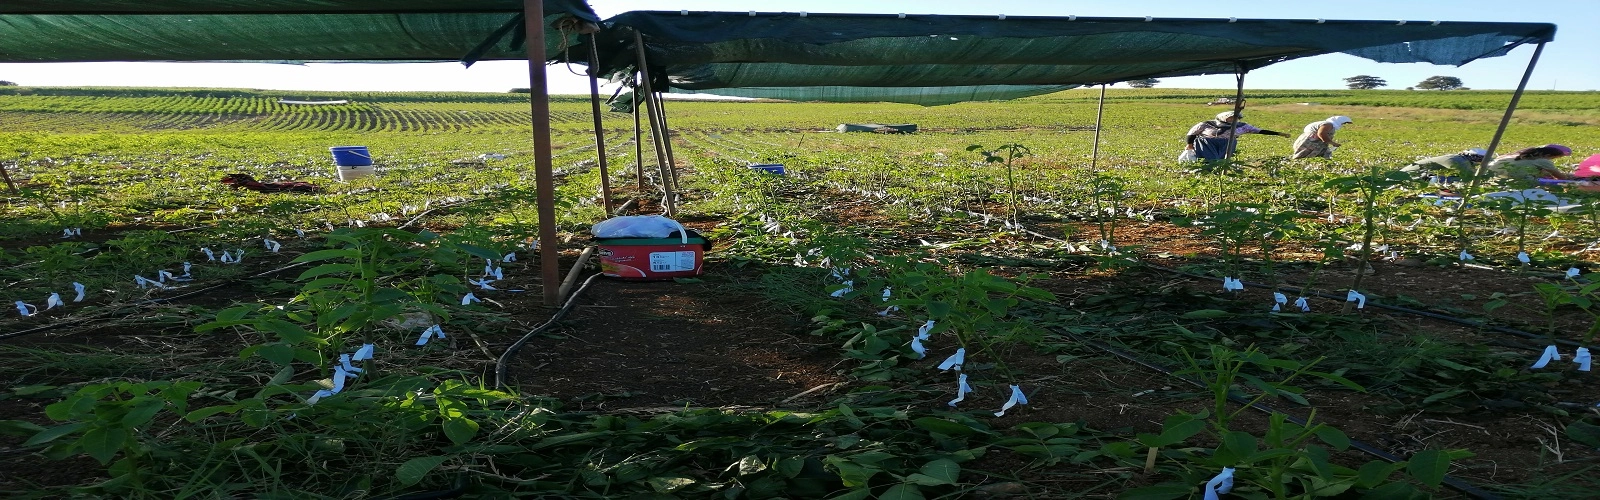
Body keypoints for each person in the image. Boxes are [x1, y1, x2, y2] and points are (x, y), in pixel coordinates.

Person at [1182, 111, 1288, 160]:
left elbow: (1259, 131)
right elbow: (1192, 133)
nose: (1234, 119)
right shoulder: (1207, 124)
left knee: (1222, 160)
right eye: (1231, 117)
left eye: (1236, 118)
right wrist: (1190, 144)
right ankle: (1207, 173)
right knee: (1209, 159)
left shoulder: (1242, 126)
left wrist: (1279, 133)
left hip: (1227, 144)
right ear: (1223, 118)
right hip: (1206, 143)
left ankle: (1218, 174)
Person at [1485, 144, 1573, 182]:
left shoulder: (1520, 157)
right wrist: (1571, 178)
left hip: (1494, 178)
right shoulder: (1543, 161)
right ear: (1548, 155)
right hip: (1516, 180)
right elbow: (1560, 177)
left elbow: (1544, 173)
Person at [1400, 148, 1486, 181]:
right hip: (1406, 178)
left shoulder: (1459, 158)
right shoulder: (1458, 160)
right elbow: (1470, 177)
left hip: (1413, 176)